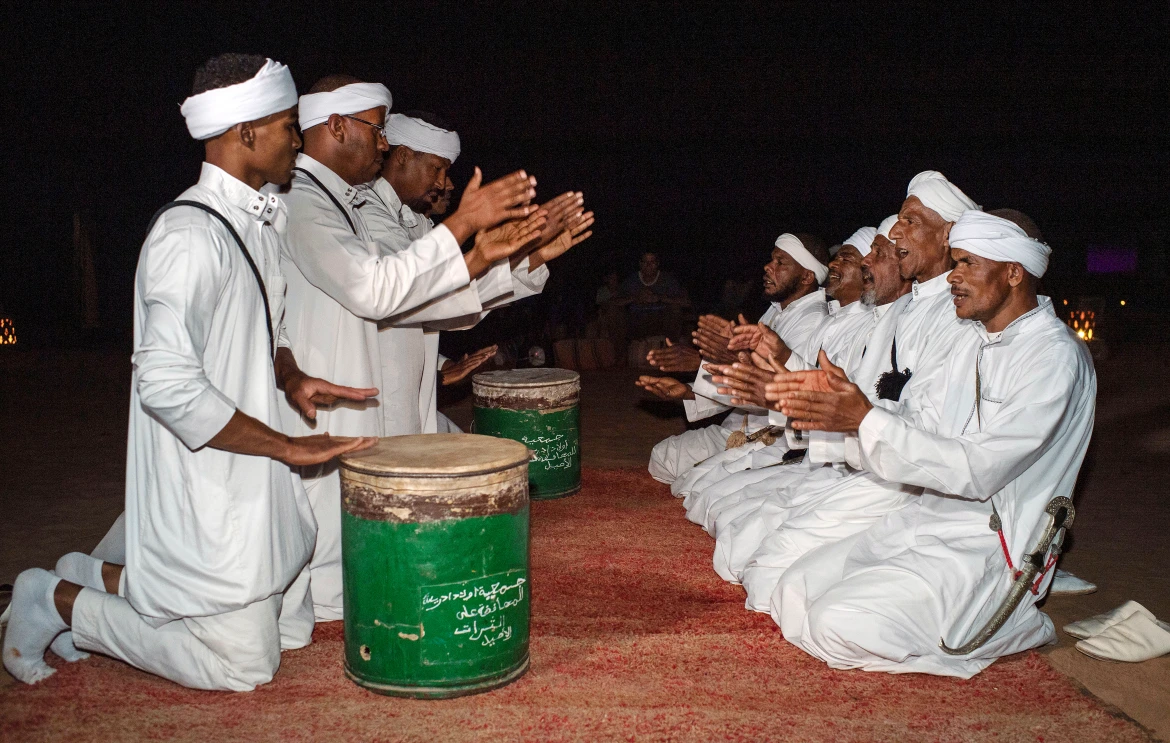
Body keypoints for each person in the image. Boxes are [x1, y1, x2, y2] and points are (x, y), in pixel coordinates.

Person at [3, 54, 379, 689]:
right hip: (214, 479)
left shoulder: (261, 218)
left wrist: (289, 377)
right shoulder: (188, 236)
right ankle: (53, 600)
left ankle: (91, 573)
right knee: (243, 664)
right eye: (288, 123)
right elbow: (167, 384)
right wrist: (287, 444)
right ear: (245, 134)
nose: (297, 136)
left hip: (262, 486)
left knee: (292, 632)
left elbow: (269, 328)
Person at [772, 209, 1095, 678]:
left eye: (966, 264)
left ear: (1013, 271)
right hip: (926, 517)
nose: (953, 278)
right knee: (791, 588)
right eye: (955, 263)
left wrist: (864, 420)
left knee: (833, 626)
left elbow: (979, 468)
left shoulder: (1054, 356)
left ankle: (1015, 622)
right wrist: (847, 414)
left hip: (991, 548)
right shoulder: (974, 338)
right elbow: (921, 424)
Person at [279, 78, 558, 621]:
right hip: (332, 393)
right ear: (337, 126)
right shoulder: (307, 203)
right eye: (376, 131)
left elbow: (414, 299)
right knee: (320, 561)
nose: (381, 146)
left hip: (368, 390)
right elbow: (381, 291)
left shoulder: (348, 206)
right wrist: (468, 238)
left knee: (365, 550)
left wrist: (512, 260)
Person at [728, 171, 981, 611]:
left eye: (910, 223)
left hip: (905, 480)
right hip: (862, 462)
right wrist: (794, 384)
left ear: (949, 238)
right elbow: (859, 401)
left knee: (768, 576)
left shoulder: (955, 317)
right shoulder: (905, 312)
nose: (868, 261)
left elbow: (928, 433)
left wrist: (831, 406)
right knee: (745, 552)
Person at [365, 109, 591, 436]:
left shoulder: (417, 223)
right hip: (376, 391)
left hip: (411, 388)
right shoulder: (367, 215)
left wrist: (534, 255)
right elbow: (410, 300)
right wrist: (481, 249)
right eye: (437, 168)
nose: (442, 183)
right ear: (402, 156)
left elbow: (443, 301)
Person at [677, 223, 900, 527]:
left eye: (847, 259)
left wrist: (709, 369)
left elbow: (819, 397)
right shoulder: (817, 320)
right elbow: (780, 383)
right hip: (794, 439)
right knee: (696, 494)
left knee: (719, 515)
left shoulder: (850, 324)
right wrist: (701, 380)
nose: (834, 264)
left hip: (813, 447)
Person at [639, 234, 829, 485]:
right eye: (771, 259)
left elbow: (773, 393)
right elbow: (743, 386)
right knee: (664, 458)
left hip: (773, 439)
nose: (768, 267)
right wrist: (687, 391)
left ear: (807, 276)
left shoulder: (813, 320)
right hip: (738, 429)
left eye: (780, 262)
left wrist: (702, 364)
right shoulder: (776, 310)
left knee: (694, 485)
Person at [618, 252, 691, 340]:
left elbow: (686, 302)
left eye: (652, 262)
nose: (648, 265)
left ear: (657, 264)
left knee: (675, 309)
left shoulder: (667, 280)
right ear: (640, 264)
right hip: (637, 321)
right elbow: (613, 301)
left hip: (661, 321)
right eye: (645, 262)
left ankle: (672, 345)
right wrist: (635, 298)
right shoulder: (631, 281)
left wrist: (660, 298)